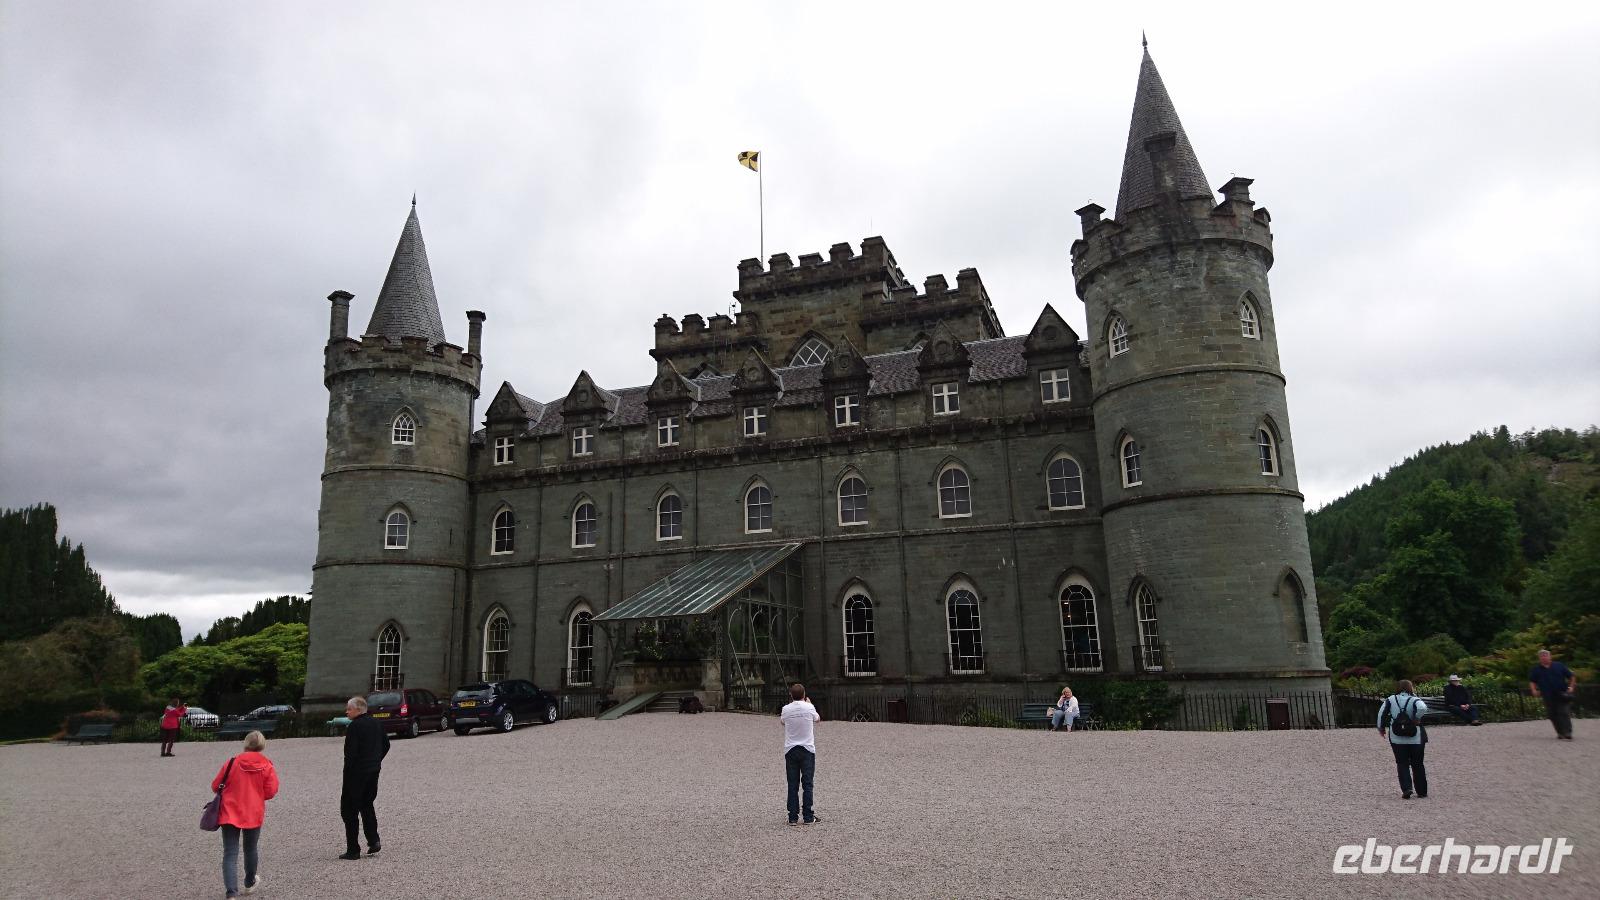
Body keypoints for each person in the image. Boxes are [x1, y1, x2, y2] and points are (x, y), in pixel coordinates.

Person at [211, 730, 279, 898]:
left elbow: (215, 786)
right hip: (253, 811)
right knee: (250, 849)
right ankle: (249, 882)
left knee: (230, 852)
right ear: (262, 745)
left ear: (246, 743)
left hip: (230, 811)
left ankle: (231, 892)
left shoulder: (232, 762)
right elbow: (271, 791)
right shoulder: (267, 765)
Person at [339, 695, 390, 860]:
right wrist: (376, 760)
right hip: (373, 771)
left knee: (349, 810)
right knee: (367, 805)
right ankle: (373, 840)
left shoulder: (355, 727)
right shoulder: (376, 723)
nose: (346, 711)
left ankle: (353, 849)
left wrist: (347, 776)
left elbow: (350, 754)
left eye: (349, 708)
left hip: (357, 773)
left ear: (358, 710)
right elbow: (386, 744)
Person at [1377, 679, 1428, 799]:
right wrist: (1416, 718)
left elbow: (1381, 714)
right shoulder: (1415, 699)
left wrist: (1381, 728)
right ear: (1410, 687)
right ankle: (1421, 791)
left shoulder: (1391, 699)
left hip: (1397, 737)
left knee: (1402, 763)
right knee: (1418, 764)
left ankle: (1407, 788)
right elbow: (1422, 708)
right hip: (1415, 737)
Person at [780, 683, 821, 826]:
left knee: (792, 784)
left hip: (791, 749)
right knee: (807, 783)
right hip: (807, 748)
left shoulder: (786, 709)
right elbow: (817, 719)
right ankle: (808, 816)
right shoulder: (809, 707)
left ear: (791, 695)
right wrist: (808, 704)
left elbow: (782, 722)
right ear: (804, 695)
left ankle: (792, 817)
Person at [1528, 649, 1577, 740]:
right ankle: (1560, 732)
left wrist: (1571, 687)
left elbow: (1571, 676)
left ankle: (1567, 732)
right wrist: (1534, 690)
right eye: (1542, 656)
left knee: (1564, 712)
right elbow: (1532, 681)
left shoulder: (1559, 666)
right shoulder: (1536, 669)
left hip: (1562, 694)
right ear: (1539, 658)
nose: (1544, 657)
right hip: (1547, 695)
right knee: (1553, 715)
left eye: (1546, 655)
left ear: (1550, 656)